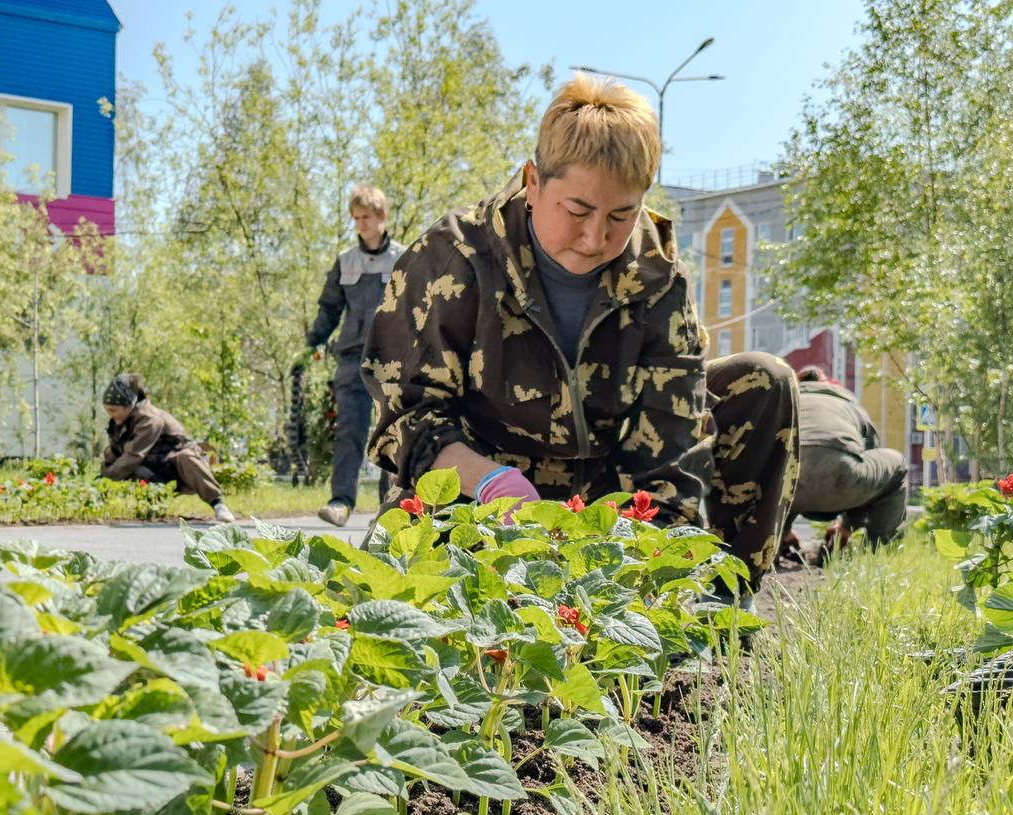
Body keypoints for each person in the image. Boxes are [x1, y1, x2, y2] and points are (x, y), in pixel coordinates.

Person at [362, 73, 800, 602]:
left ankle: (726, 604)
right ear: (534, 182)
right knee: (403, 602)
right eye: (578, 211)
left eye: (621, 215)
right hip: (477, 492)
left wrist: (647, 580)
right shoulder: (453, 257)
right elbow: (408, 419)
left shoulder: (658, 276)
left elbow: (670, 447)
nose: (596, 238)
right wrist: (491, 482)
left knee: (764, 381)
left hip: (601, 497)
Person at [302, 184, 404, 527]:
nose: (360, 224)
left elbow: (418, 309)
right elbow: (329, 309)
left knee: (392, 433)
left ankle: (390, 508)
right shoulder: (345, 261)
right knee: (349, 430)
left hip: (392, 361)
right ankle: (341, 502)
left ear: (382, 216)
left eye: (366, 217)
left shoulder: (404, 259)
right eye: (356, 218)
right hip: (352, 360)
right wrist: (313, 343)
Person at [788, 365, 906, 548]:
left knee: (781, 469)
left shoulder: (784, 403)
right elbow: (868, 460)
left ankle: (773, 548)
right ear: (829, 384)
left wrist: (782, 531)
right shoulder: (848, 404)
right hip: (843, 479)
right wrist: (848, 525)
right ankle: (881, 549)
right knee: (897, 466)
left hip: (789, 487)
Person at [100, 373, 236, 524]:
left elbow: (134, 455)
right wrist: (101, 479)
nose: (111, 415)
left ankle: (218, 505)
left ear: (129, 406)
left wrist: (107, 478)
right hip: (157, 468)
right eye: (108, 411)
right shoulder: (121, 423)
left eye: (113, 410)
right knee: (137, 470)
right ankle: (149, 510)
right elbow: (115, 452)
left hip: (181, 468)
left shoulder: (149, 419)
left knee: (186, 457)